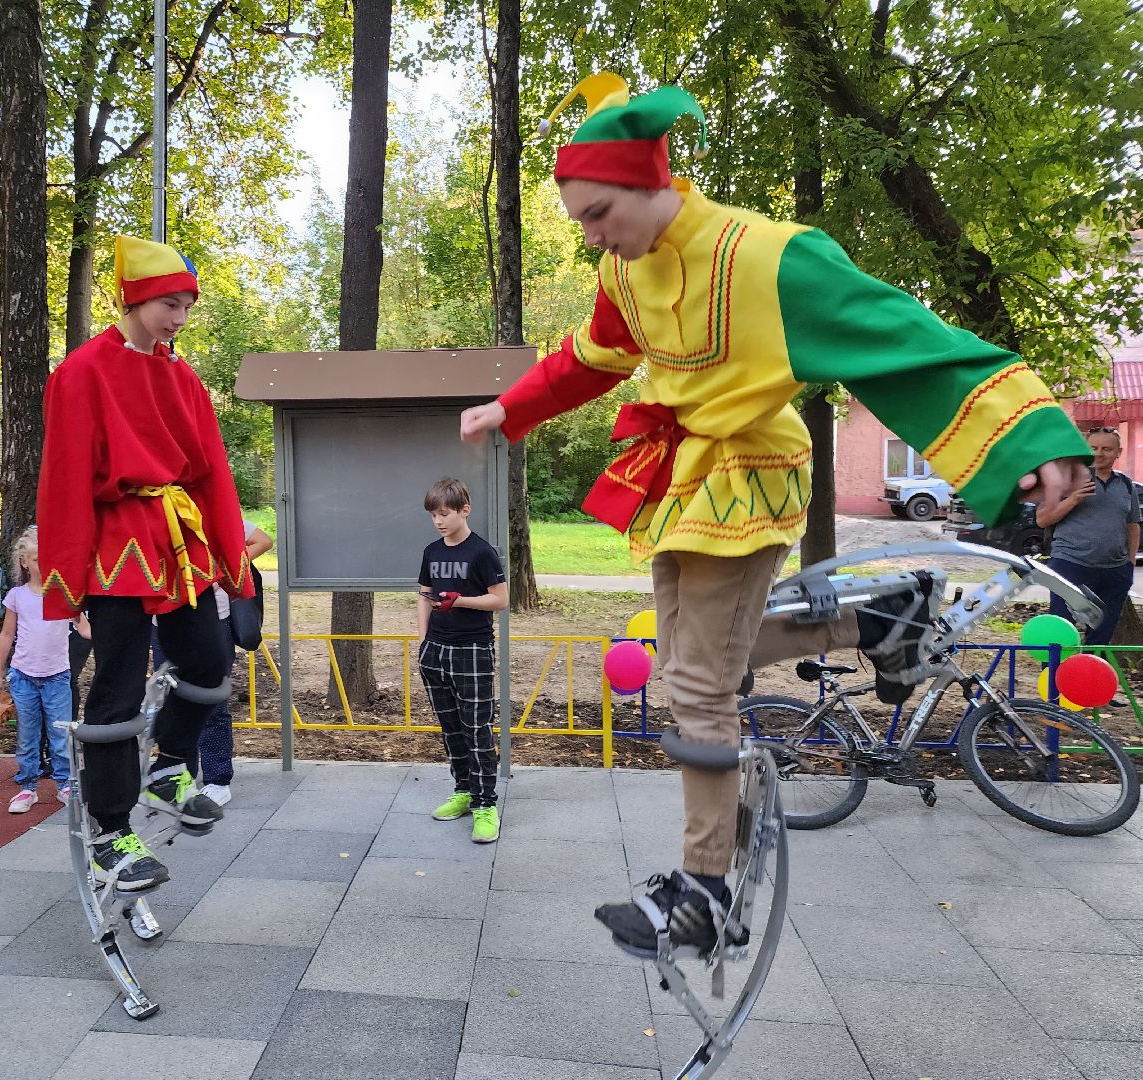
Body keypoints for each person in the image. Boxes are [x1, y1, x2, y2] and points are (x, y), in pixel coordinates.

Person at [459, 73, 1091, 956]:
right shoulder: (622, 269)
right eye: (583, 222)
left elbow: (903, 339)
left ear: (651, 182)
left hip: (749, 475)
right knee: (689, 665)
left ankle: (706, 894)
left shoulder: (769, 256)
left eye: (600, 214)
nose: (592, 236)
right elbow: (588, 358)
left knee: (697, 688)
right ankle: (880, 615)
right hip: (682, 478)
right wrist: (508, 409)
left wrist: (1030, 436)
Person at [38, 235, 253, 894]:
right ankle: (110, 831)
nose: (179, 317)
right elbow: (65, 479)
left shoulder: (182, 376)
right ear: (133, 299)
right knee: (118, 689)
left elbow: (212, 470)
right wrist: (64, 581)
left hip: (177, 541)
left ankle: (168, 767)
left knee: (211, 664)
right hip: (113, 547)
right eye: (169, 303)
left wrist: (229, 558)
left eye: (187, 305)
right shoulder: (80, 372)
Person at [416, 477, 508, 844]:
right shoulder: (431, 551)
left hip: (473, 651)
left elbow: (500, 600)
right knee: (451, 728)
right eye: (433, 515)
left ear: (464, 510)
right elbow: (424, 596)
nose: (438, 521)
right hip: (436, 650)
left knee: (477, 730)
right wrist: (423, 642)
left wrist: (462, 601)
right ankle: (464, 792)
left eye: (444, 514)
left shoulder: (482, 552)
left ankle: (486, 804)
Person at [0, 526, 89, 812]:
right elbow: (7, 635)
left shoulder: (63, 594)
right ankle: (27, 787)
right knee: (28, 734)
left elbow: (82, 625)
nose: (43, 564)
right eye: (36, 559)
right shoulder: (17, 596)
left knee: (60, 733)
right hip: (23, 676)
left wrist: (108, 637)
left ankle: (64, 784)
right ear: (24, 562)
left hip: (57, 676)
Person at [184, 519, 272, 813]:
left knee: (212, 699)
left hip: (215, 617)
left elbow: (263, 540)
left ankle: (217, 780)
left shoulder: (214, 508)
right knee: (175, 700)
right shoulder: (156, 505)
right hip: (166, 617)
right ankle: (179, 777)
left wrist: (222, 567)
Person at [1037, 426, 1140, 646]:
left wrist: (1129, 564)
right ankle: (1053, 678)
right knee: (1060, 630)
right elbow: (1042, 519)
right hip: (1070, 564)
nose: (1100, 453)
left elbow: (1132, 525)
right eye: (1094, 448)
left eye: (1107, 448)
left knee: (1102, 634)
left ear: (1118, 452)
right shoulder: (1065, 479)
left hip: (1114, 571)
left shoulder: (1125, 484)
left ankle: (1088, 675)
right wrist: (1073, 498)